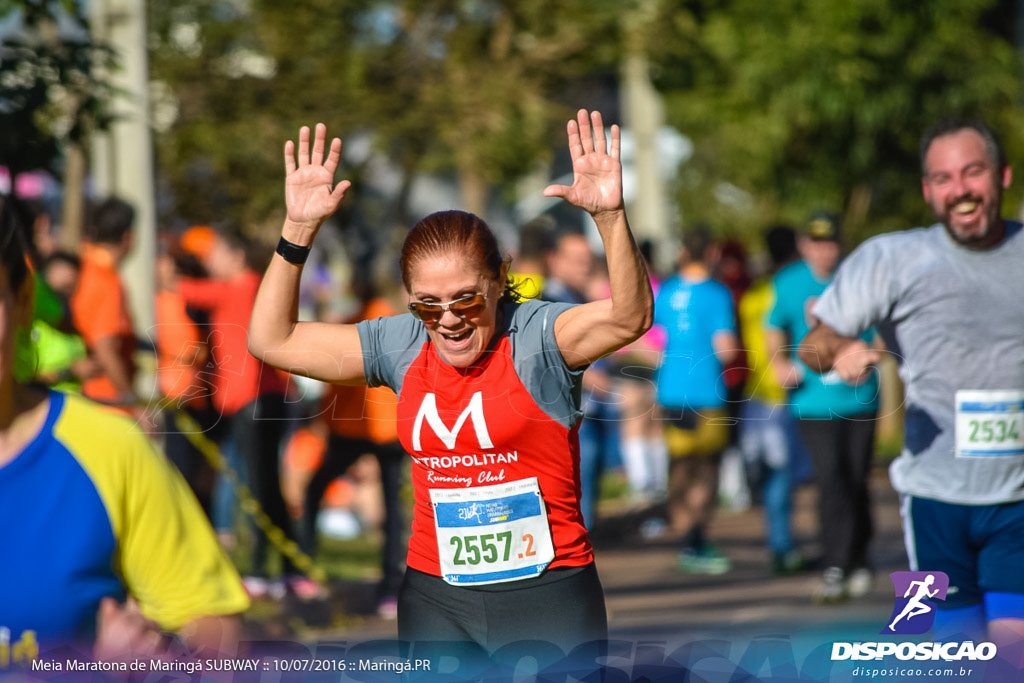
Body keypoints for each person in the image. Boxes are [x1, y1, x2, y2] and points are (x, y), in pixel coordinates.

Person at [248, 110, 653, 657]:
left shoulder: (536, 336)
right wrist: (297, 231)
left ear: (499, 282)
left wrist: (608, 217)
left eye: (467, 299)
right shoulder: (401, 344)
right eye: (427, 304)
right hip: (436, 598)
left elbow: (629, 317)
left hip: (548, 595)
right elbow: (273, 340)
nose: (449, 319)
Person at [798, 118, 1024, 648]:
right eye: (943, 179)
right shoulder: (891, 259)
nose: (960, 190)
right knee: (949, 655)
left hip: (1018, 500)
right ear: (927, 190)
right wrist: (842, 349)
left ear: (1003, 176)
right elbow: (812, 345)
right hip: (931, 503)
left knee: (1012, 656)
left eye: (973, 173)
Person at [0, 204, 249, 667]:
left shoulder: (104, 451)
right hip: (119, 398)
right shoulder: (108, 282)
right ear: (130, 238)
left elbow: (217, 640)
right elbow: (108, 344)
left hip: (97, 411)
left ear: (21, 302)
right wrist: (127, 395)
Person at [164, 227, 301, 599]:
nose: (210, 261)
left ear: (236, 257)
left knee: (257, 486)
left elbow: (182, 288)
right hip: (259, 398)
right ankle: (286, 570)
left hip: (251, 401)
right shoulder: (248, 286)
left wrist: (165, 264)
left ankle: (261, 571)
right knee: (265, 483)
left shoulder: (242, 285)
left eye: (216, 253)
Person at [767, 211, 880, 604]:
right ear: (803, 244)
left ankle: (860, 556)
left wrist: (871, 354)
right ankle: (836, 564)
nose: (823, 250)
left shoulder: (860, 276)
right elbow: (773, 325)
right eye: (815, 242)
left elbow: (882, 330)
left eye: (830, 242)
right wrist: (779, 362)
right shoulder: (788, 281)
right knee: (830, 478)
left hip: (859, 398)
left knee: (856, 479)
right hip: (811, 403)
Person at [653, 225, 739, 574]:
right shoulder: (718, 294)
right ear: (713, 254)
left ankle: (683, 533)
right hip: (707, 393)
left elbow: (649, 342)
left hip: (669, 390)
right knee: (706, 469)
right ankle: (696, 539)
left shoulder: (666, 291)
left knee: (679, 465)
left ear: (683, 252)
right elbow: (727, 349)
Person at [736, 225, 809, 575]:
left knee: (768, 474)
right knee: (783, 475)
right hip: (790, 395)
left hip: (755, 395)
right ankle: (783, 546)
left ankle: (779, 541)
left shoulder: (753, 295)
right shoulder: (790, 290)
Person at [542, 229, 621, 531]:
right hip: (568, 416)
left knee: (590, 483)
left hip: (592, 410)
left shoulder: (580, 298)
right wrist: (593, 378)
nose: (585, 267)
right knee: (577, 492)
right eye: (577, 260)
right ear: (554, 261)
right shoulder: (547, 303)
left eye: (588, 260)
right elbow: (551, 355)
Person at [70, 197, 138, 408]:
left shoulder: (83, 265)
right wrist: (133, 403)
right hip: (106, 399)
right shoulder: (105, 280)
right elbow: (106, 349)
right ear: (128, 237)